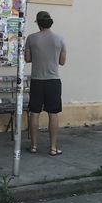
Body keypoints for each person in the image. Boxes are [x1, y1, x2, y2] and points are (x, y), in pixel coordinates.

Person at [24, 10, 66, 156]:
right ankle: (53, 148)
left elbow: (27, 59)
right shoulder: (60, 39)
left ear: (38, 23)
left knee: (34, 113)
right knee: (53, 113)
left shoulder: (31, 38)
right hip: (53, 81)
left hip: (37, 80)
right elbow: (62, 62)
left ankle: (33, 145)